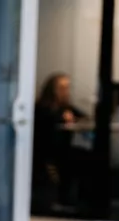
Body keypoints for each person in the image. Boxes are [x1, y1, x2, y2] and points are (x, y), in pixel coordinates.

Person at [32, 73, 89, 209]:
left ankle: (81, 202)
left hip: (63, 149)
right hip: (47, 151)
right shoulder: (41, 107)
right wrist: (61, 118)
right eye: (62, 87)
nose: (65, 91)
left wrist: (74, 119)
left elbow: (86, 118)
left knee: (90, 158)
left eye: (67, 87)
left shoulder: (67, 107)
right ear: (52, 89)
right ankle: (63, 200)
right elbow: (46, 125)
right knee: (74, 160)